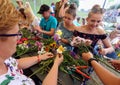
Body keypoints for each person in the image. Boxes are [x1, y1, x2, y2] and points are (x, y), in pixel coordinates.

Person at [0, 0, 54, 85]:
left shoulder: (4, 59)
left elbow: (15, 63)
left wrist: (39, 57)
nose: (18, 39)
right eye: (16, 34)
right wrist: (56, 65)